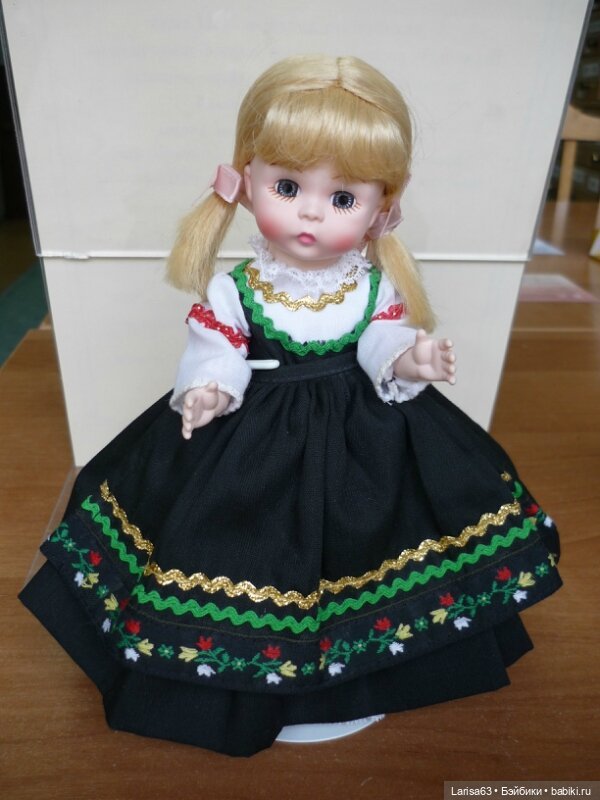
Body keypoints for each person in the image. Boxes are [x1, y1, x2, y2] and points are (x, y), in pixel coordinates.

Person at [19, 55, 561, 757]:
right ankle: (244, 684)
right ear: (246, 184)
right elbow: (217, 349)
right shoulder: (238, 290)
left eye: (343, 198)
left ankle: (361, 678)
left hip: (363, 440)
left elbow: (381, 339)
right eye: (287, 186)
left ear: (382, 209)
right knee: (240, 553)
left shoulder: (369, 286)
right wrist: (210, 389)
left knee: (375, 547)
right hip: (253, 440)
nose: (311, 210)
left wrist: (410, 359)